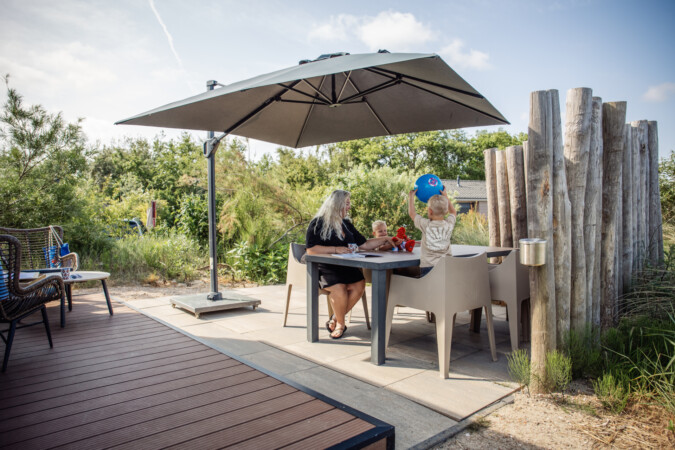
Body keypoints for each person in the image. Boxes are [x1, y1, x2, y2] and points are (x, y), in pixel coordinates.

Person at [306, 190, 393, 339]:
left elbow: (364, 245)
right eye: (346, 204)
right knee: (340, 289)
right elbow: (311, 250)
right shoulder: (318, 223)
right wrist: (335, 249)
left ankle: (335, 317)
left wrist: (386, 239)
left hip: (345, 266)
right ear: (337, 204)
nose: (349, 207)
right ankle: (341, 324)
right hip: (326, 267)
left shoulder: (346, 224)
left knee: (359, 285)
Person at [408, 186, 457, 277]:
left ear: (430, 211)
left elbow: (412, 214)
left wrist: (411, 197)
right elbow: (453, 212)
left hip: (428, 267)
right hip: (446, 266)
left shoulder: (426, 225)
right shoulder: (449, 224)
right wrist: (445, 196)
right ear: (446, 211)